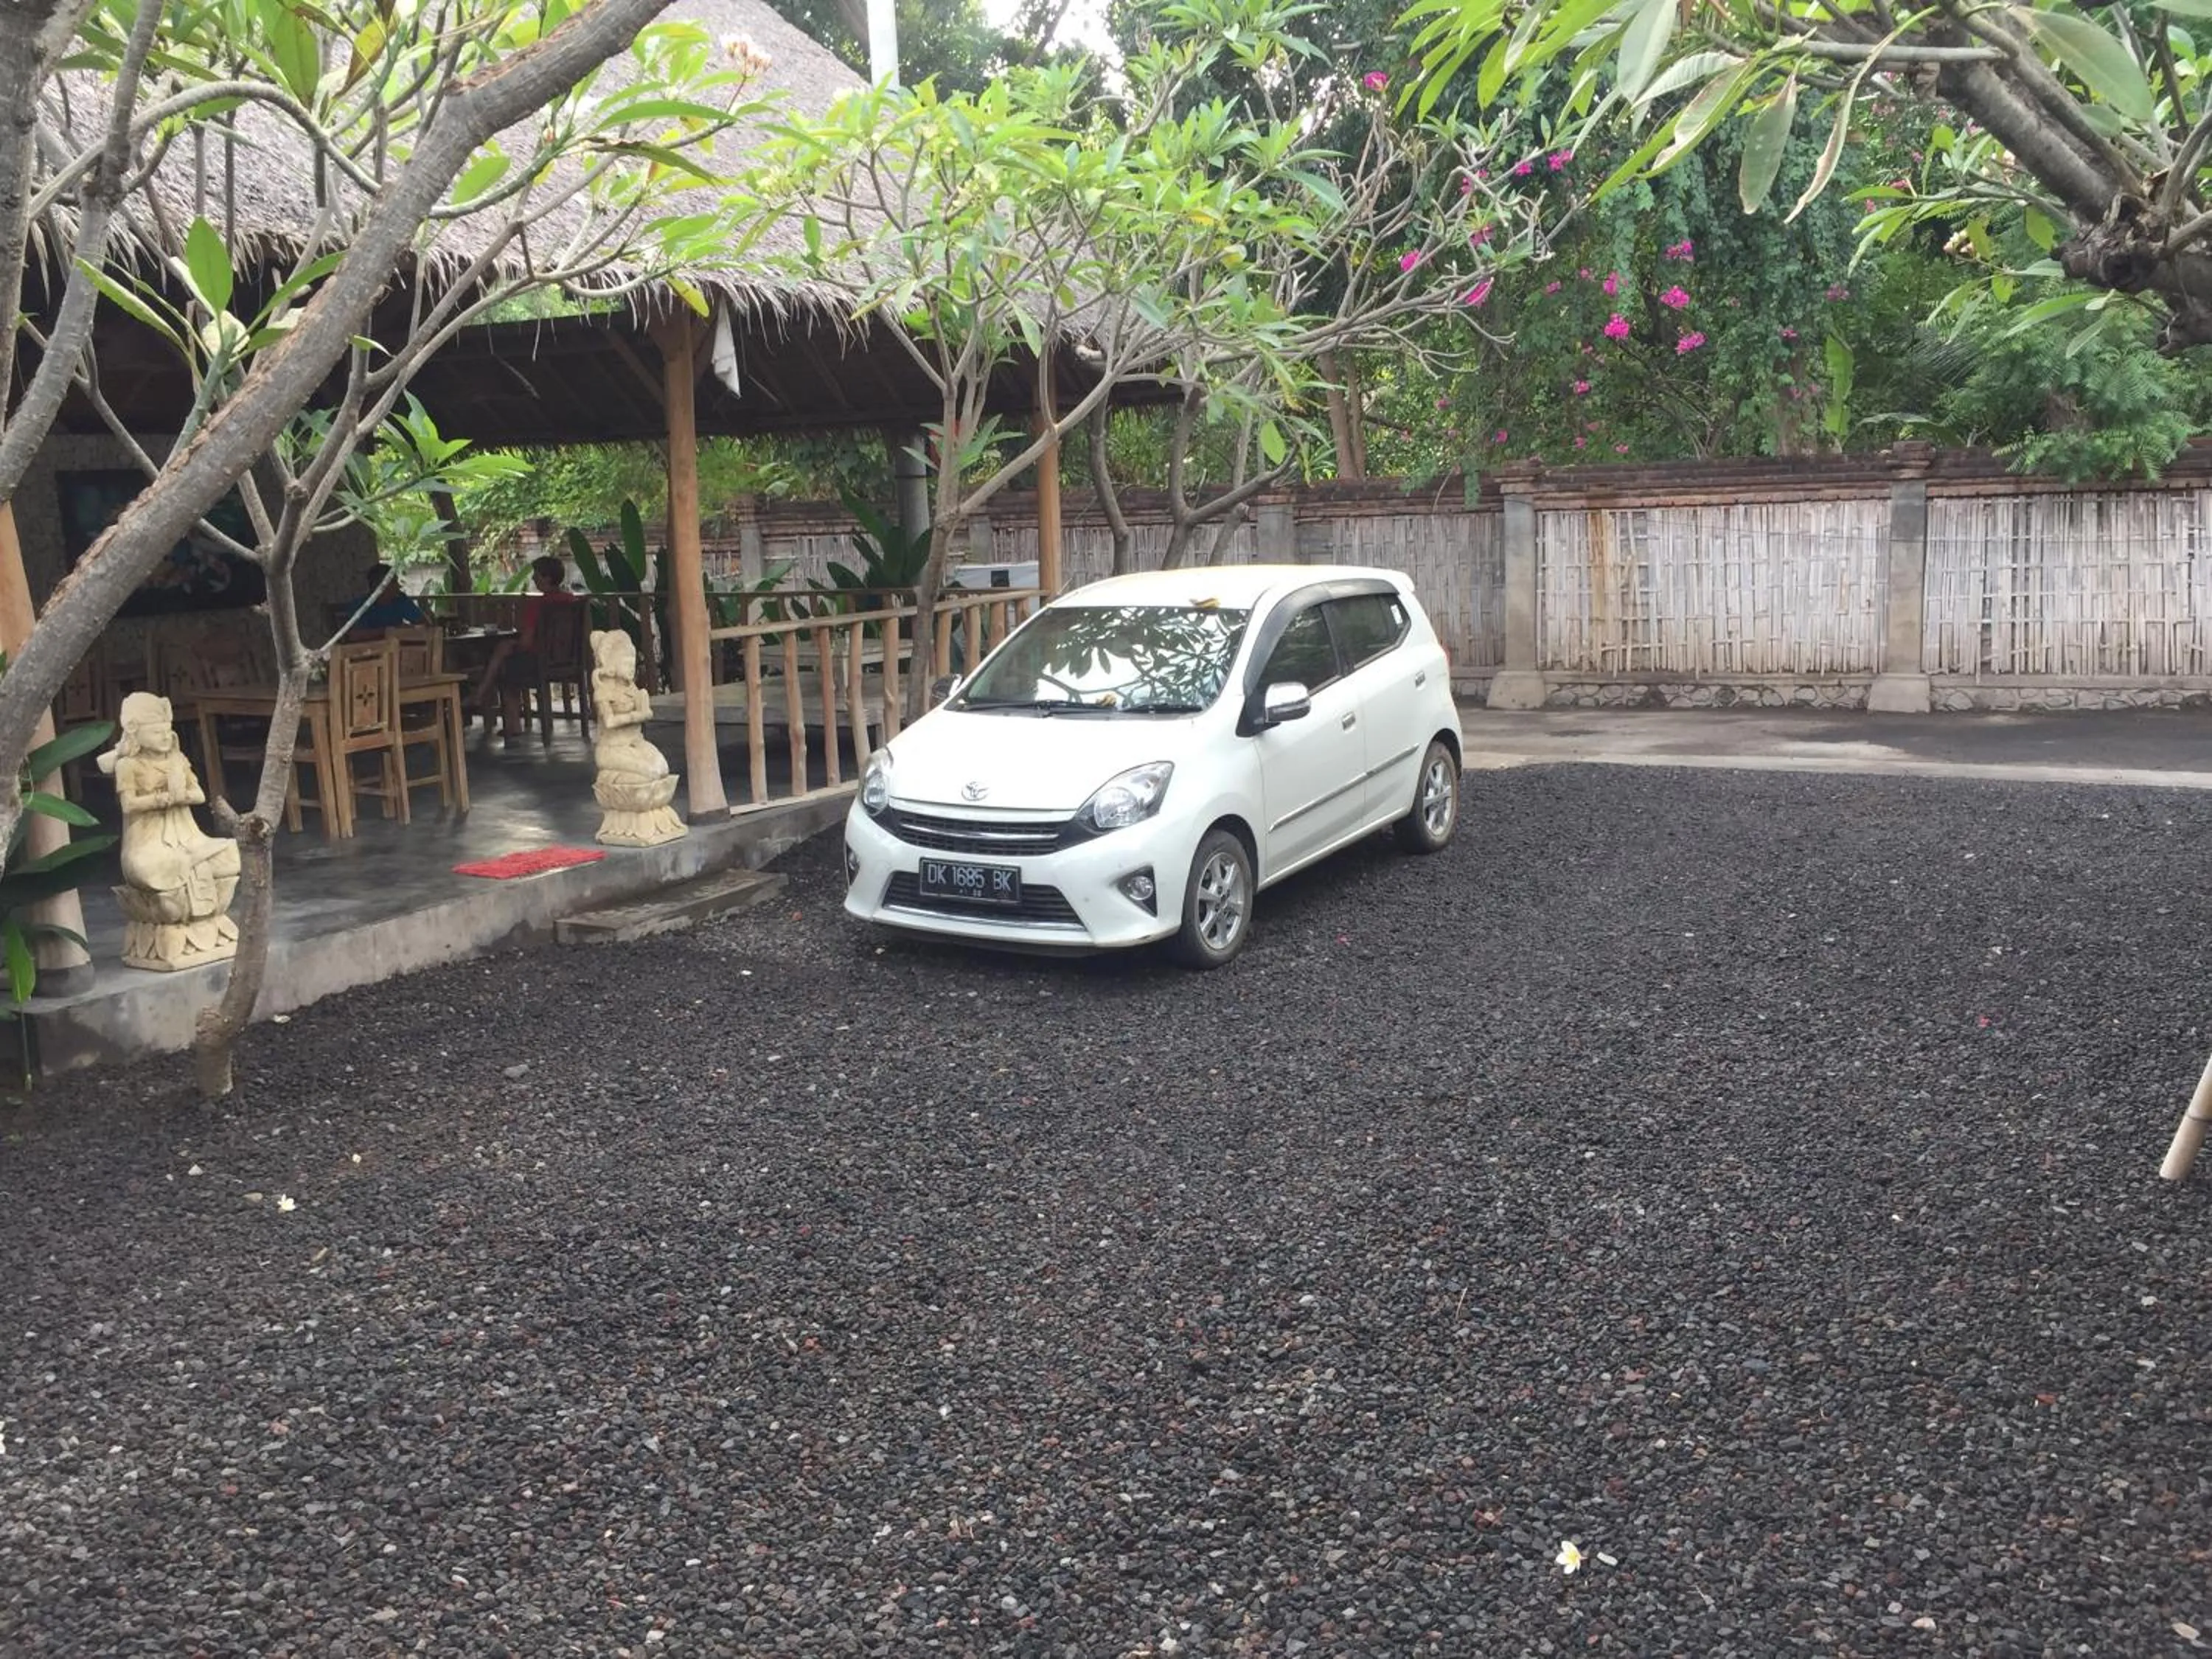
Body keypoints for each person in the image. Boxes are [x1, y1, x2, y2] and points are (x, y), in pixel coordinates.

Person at [476, 554, 580, 739]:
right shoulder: (571, 601)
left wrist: (514, 644)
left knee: (506, 667)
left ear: (546, 578)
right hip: (568, 660)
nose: (533, 579)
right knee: (506, 650)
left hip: (539, 661)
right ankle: (482, 692)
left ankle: (509, 719)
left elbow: (526, 642)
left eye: (536, 575)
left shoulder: (538, 605)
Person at [347, 563, 425, 632]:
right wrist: (391, 630)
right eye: (393, 582)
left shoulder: (400, 599)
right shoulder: (360, 606)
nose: (399, 586)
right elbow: (355, 635)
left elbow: (423, 624)